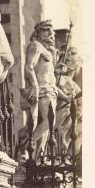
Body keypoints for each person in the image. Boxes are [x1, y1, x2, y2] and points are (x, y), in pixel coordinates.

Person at [17, 20, 59, 160]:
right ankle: (26, 146)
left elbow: (46, 71)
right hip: (40, 89)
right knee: (47, 122)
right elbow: (29, 67)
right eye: (45, 30)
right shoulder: (36, 46)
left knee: (44, 128)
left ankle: (36, 158)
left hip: (50, 90)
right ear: (38, 32)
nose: (49, 33)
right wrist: (34, 87)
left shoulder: (47, 50)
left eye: (50, 31)